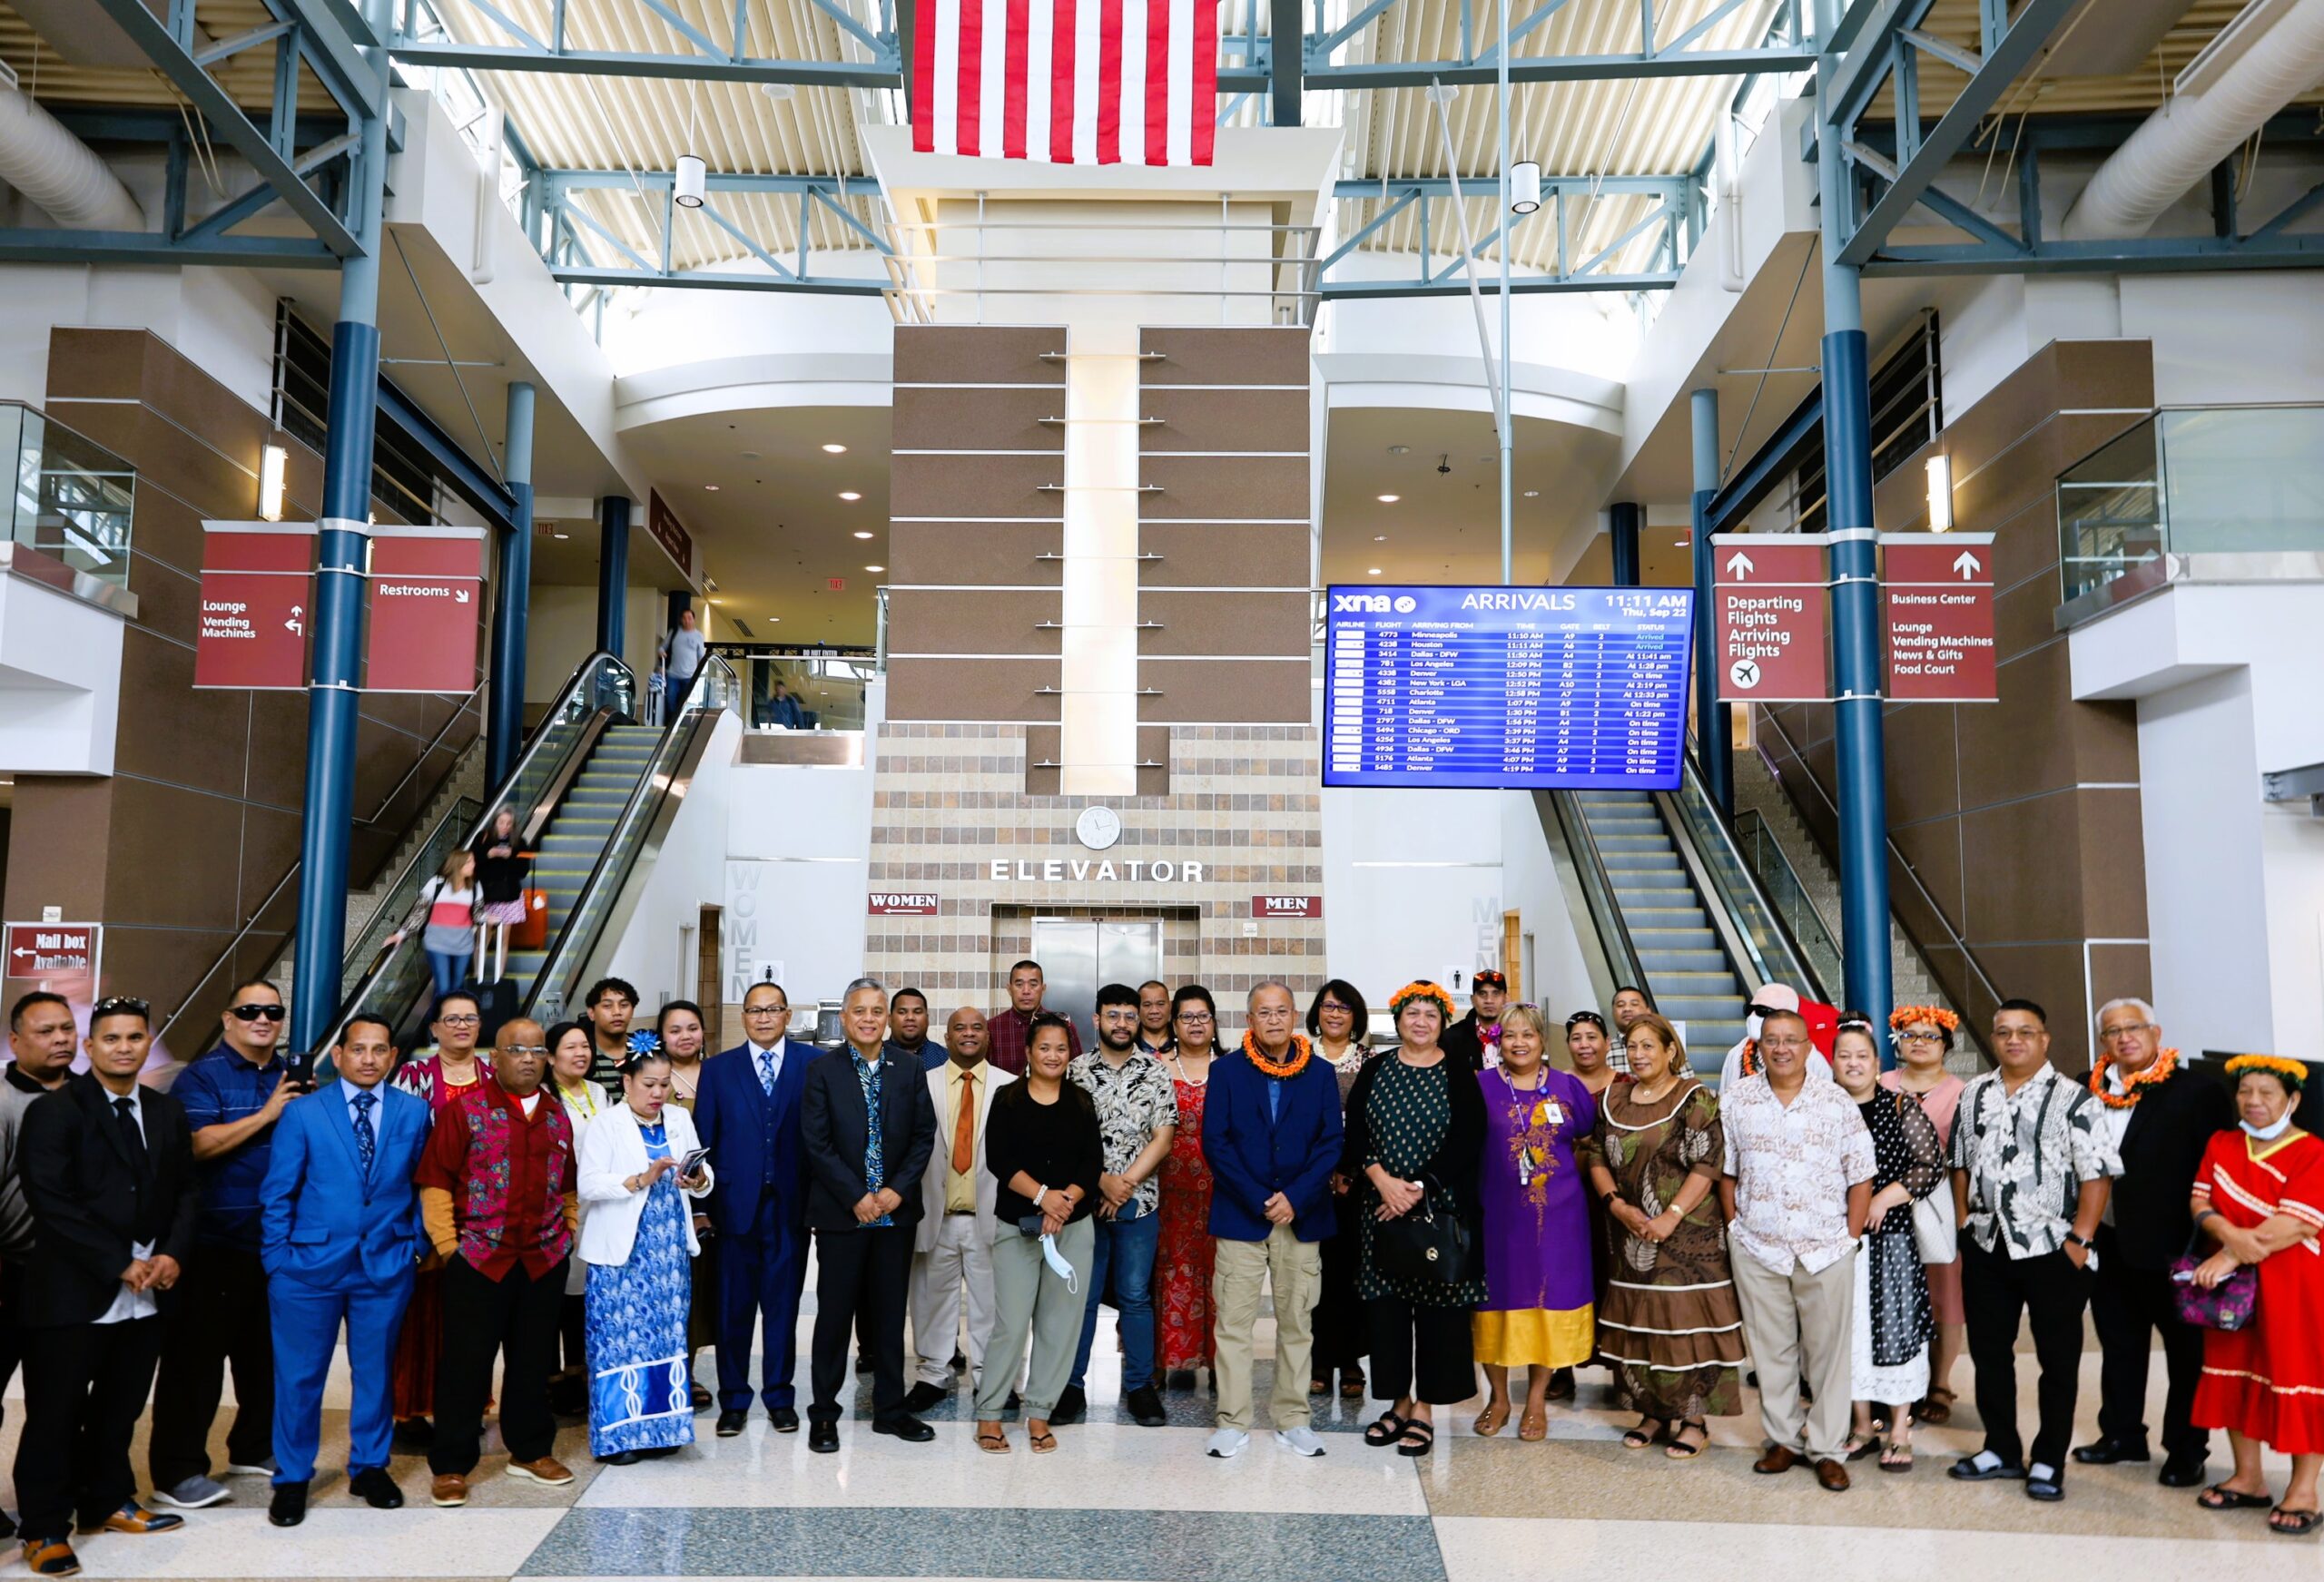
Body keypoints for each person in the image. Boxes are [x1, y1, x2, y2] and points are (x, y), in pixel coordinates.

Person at [14, 997, 195, 1577]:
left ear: (148, 1044)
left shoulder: (167, 1112)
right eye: (111, 1038)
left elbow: (189, 1192)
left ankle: (107, 1500)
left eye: (134, 1037)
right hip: (74, 1291)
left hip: (148, 1293)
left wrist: (172, 1253)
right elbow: (51, 1202)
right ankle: (43, 1527)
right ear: (90, 1048)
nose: (124, 1047)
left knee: (120, 1407)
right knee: (54, 1414)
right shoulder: (56, 1112)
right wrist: (117, 1262)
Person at [258, 1013, 428, 1527]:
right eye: (358, 1049)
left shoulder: (414, 1112)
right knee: (300, 1377)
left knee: (375, 1373)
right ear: (339, 1056)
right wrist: (277, 1260)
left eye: (380, 1049)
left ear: (393, 1057)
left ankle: (370, 1467)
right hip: (306, 1268)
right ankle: (291, 1476)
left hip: (386, 1264)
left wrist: (416, 1247)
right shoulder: (305, 1113)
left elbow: (423, 1187)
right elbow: (277, 1192)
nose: (369, 1059)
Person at [1948, 997, 2120, 1501]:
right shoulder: (1974, 1092)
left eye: (2026, 1031)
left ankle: (2048, 1459)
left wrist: (2080, 1241)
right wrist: (1963, 1219)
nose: (2014, 1040)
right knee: (1989, 1354)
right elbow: (1960, 1160)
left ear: (2044, 1039)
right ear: (1994, 1038)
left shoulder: (2075, 1098)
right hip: (1987, 1244)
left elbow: (2097, 1173)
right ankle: (2001, 1447)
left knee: (2059, 1359)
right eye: (2003, 1032)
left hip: (2053, 1248)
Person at [416, 1018, 580, 1506]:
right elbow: (437, 1183)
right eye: (517, 1049)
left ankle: (529, 1451)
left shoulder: (556, 1114)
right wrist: (450, 1249)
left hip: (542, 1261)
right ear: (496, 1058)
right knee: (465, 1365)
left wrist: (567, 1231)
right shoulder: (465, 1111)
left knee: (532, 1363)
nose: (528, 1059)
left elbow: (568, 1184)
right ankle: (451, 1464)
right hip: (478, 1261)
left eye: (537, 1050)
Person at [2075, 997, 2235, 1487]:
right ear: (2103, 1041)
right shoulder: (2085, 1086)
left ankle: (2186, 1448)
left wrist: (2210, 1243)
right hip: (2110, 1240)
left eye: (2135, 1027)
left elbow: (2217, 1171)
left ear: (2156, 1032)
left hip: (2176, 1247)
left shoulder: (2197, 1090)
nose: (2125, 1037)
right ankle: (2122, 1435)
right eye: (2113, 1031)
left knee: (2188, 1353)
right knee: (2120, 1345)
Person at [150, 978, 295, 1511]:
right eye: (250, 1010)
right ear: (229, 1018)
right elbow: (195, 1145)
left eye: (273, 1011)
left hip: (275, 1244)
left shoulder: (290, 1076)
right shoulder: (201, 1077)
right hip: (211, 1243)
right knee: (196, 1363)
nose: (263, 1019)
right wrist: (264, 1116)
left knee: (266, 1356)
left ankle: (254, 1447)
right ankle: (178, 1470)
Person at [1718, 1005, 1874, 1492]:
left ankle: (1827, 1447)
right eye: (1772, 1040)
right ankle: (1783, 1439)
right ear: (1758, 1047)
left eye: (1791, 1040)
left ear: (1809, 1047)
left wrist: (1849, 1238)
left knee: (1828, 1354)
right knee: (1770, 1351)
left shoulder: (1836, 1102)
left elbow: (1861, 1175)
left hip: (1826, 1248)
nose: (1781, 1048)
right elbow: (1727, 1172)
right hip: (1758, 1247)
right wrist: (1735, 1228)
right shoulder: (1736, 1100)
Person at [1582, 1012, 1745, 1457]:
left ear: (1671, 1050)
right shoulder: (1614, 1098)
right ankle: (1653, 1411)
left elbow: (1708, 1164)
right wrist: (1615, 1204)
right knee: (1643, 1323)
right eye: (1632, 1047)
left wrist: (1670, 1216)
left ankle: (1693, 1418)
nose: (1639, 1055)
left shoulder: (1696, 1098)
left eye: (1649, 1046)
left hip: (1687, 1238)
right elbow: (1597, 1154)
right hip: (1630, 1234)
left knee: (1685, 1325)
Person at [1199, 980, 1343, 1459]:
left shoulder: (1320, 1073)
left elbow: (1331, 1144)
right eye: (1265, 1012)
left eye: (1282, 1011)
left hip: (1302, 1217)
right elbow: (1215, 1143)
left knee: (1296, 1321)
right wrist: (1263, 1199)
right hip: (1242, 1215)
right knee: (1234, 1323)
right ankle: (1232, 1420)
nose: (1275, 1019)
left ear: (1296, 1015)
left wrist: (1295, 1198)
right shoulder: (1226, 1072)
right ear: (1250, 1019)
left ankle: (1292, 1417)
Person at [1345, 981, 1485, 1458]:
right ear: (1398, 1020)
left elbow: (1469, 1140)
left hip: (1438, 1211)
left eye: (1430, 1014)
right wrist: (1381, 1180)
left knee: (1436, 1314)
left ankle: (1425, 1408)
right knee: (1386, 1313)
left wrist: (1418, 1186)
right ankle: (1398, 1402)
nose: (1421, 1021)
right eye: (1412, 1013)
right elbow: (1357, 1129)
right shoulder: (1376, 1068)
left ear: (1442, 1023)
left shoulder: (1458, 1072)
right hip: (1379, 1210)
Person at [2186, 1055, 2324, 1534]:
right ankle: (2248, 1478)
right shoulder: (2222, 1143)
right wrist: (2227, 1236)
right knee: (2232, 1373)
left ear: (2294, 1100)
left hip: (2295, 1285)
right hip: (2232, 1294)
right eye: (2247, 1091)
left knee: (2297, 1376)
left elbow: (2298, 1222)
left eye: (2267, 1092)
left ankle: (2304, 1489)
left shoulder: (2313, 1152)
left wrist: (2229, 1254)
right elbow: (2200, 1199)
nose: (2254, 1101)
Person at [801, 978, 938, 1452]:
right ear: (844, 1017)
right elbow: (816, 1143)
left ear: (887, 1018)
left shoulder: (909, 1067)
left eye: (877, 1011)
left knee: (887, 1318)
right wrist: (856, 1195)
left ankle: (890, 1410)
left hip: (895, 1217)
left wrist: (898, 1189)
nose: (868, 1019)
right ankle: (823, 1415)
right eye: (859, 1011)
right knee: (834, 1317)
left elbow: (924, 1135)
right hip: (844, 1217)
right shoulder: (822, 1071)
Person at [576, 1046, 714, 1464]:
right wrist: (641, 1178)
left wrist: (698, 1179)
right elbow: (589, 1185)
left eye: (665, 1084)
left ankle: (662, 1429)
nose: (658, 1093)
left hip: (668, 1248)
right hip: (622, 1250)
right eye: (649, 1085)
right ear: (627, 1084)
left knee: (664, 1337)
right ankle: (618, 1437)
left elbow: (704, 1183)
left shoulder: (679, 1118)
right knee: (619, 1340)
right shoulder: (607, 1123)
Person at [973, 1014, 1100, 1454]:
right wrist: (1044, 1196)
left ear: (1071, 1053)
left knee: (1059, 1325)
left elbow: (1091, 1163)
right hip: (1018, 1226)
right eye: (1044, 1047)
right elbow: (1000, 1161)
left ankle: (1040, 1413)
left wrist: (1063, 1203)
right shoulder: (1007, 1100)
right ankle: (990, 1414)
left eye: (1061, 1048)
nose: (1053, 1055)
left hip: (1073, 1227)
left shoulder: (1082, 1102)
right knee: (1010, 1323)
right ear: (1028, 1052)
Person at [1472, 1005, 1599, 1440]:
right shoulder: (1481, 1087)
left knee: (1550, 1302)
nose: (1520, 1042)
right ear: (1498, 1042)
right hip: (1498, 1217)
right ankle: (1499, 1397)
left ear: (1544, 1040)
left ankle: (1537, 1400)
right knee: (1496, 1302)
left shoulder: (1567, 1087)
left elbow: (1589, 1138)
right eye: (1510, 1036)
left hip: (1560, 1219)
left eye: (1528, 1034)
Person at [694, 980, 813, 1437]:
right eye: (754, 1010)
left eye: (773, 1009)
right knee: (733, 1311)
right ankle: (734, 1400)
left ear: (787, 1015)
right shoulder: (719, 1070)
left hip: (790, 1209)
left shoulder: (812, 1064)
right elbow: (704, 1141)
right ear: (742, 1017)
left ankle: (780, 1398)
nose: (763, 1018)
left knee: (783, 1309)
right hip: (732, 1210)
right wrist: (703, 1207)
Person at [1831, 1014, 1944, 1472]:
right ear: (1832, 1062)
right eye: (1844, 1056)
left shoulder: (1900, 1106)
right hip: (1837, 1239)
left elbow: (1928, 1165)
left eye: (1862, 1056)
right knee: (1849, 1332)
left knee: (1895, 1330)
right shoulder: (1824, 1107)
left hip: (1889, 1238)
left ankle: (1899, 1428)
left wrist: (1880, 1199)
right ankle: (1862, 1425)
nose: (1853, 1063)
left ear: (1877, 1062)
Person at [1063, 983, 1177, 1428]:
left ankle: (1139, 1388)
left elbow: (1163, 1137)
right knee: (1083, 1300)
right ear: (1096, 1020)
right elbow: (1067, 1140)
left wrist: (1124, 1185)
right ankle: (1071, 1387)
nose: (1123, 1023)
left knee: (1134, 1297)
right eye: (1113, 1015)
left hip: (1139, 1203)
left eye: (1130, 1016)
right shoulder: (1075, 1071)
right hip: (1083, 1203)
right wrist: (1101, 1182)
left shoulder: (1155, 1072)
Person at [388, 991, 492, 1449]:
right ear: (434, 1028)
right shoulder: (413, 1076)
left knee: (471, 1319)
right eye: (451, 1019)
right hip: (426, 1209)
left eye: (469, 1018)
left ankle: (467, 1403)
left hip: (484, 1215)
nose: (461, 1026)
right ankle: (409, 1411)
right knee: (420, 1315)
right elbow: (402, 1145)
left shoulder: (494, 1075)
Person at [903, 1007, 1010, 1413]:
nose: (968, 1034)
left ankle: (991, 1377)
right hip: (936, 1213)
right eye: (959, 1028)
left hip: (990, 1215)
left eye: (977, 1028)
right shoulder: (920, 1083)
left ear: (988, 1037)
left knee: (993, 1303)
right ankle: (933, 1374)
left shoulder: (1011, 1086)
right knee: (931, 1301)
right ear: (945, 1038)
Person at [1879, 1006, 1969, 1426]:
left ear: (1946, 1045)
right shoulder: (1881, 1083)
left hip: (1939, 1205)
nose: (1918, 1041)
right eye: (1909, 1034)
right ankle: (1894, 1381)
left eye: (1929, 1036)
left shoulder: (1962, 1092)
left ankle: (1940, 1384)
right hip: (1884, 1205)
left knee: (1944, 1296)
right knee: (1891, 1292)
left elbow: (1966, 1158)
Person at [0, 992, 79, 1437]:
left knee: (59, 1398)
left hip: (73, 1276)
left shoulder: (90, 1097)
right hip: (10, 1272)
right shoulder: (4, 1099)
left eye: (66, 1029)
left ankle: (47, 1503)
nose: (60, 1039)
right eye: (45, 1031)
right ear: (15, 1041)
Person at [1306, 980, 1371, 1400]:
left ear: (1356, 1016)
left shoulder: (1370, 1061)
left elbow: (1371, 1123)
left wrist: (1348, 1171)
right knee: (1313, 1274)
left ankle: (1350, 1361)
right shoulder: (1297, 1057)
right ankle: (1317, 1360)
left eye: (1344, 1008)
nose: (1334, 1014)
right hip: (1308, 1181)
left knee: (1352, 1273)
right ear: (1317, 1012)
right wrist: (1320, 1171)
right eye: (1328, 1006)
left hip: (1356, 1184)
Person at [1156, 987, 1220, 1391]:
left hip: (1220, 1192)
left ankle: (1218, 1363)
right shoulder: (1155, 1067)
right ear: (1173, 1024)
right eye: (1187, 1017)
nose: (1196, 1024)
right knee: (1165, 1275)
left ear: (1214, 1023)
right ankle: (1162, 1361)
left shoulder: (1233, 1069)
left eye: (1203, 1016)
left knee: (1219, 1277)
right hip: (1166, 1191)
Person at [652, 1001, 715, 1410]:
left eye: (692, 1027)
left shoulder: (720, 1074)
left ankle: (689, 1368)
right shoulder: (652, 1078)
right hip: (662, 1198)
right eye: (675, 1030)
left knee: (701, 1292)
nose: (685, 1036)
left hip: (712, 1193)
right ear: (661, 1036)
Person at [1565, 1009, 1627, 1387]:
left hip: (1615, 1198)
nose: (1584, 1045)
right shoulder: (1555, 1085)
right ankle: (1560, 1364)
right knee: (1570, 1277)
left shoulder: (1626, 1086)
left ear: (1606, 1043)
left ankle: (1621, 1362)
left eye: (1592, 1037)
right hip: (1566, 1197)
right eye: (1576, 1038)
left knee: (1614, 1275)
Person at [547, 1021, 605, 1419]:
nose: (581, 1053)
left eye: (585, 1046)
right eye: (570, 1048)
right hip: (556, 1210)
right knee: (553, 1297)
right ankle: (550, 1380)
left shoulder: (598, 1091)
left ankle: (578, 1373)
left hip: (596, 1210)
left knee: (584, 1296)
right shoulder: (543, 1098)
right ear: (551, 1057)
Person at [390, 850, 478, 1001]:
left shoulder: (475, 887)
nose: (474, 865)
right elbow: (419, 911)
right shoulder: (436, 884)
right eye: (469, 862)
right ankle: (439, 1021)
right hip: (437, 943)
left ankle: (449, 1020)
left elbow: (478, 913)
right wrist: (401, 934)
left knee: (457, 988)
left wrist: (491, 918)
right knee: (443, 987)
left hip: (463, 945)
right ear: (458, 864)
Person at [1719, 982, 1837, 1091]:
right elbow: (1724, 1104)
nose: (1753, 1016)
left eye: (1762, 1011)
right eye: (1749, 1010)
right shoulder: (1736, 1053)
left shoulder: (1812, 1060)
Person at [986, 959, 1080, 1077]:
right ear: (1009, 989)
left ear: (1043, 988)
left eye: (1033, 985)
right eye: (1019, 985)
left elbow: (1077, 1074)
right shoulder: (991, 1028)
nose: (1026, 991)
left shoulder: (1064, 1026)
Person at [469, 807, 530, 982]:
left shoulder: (519, 842)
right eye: (501, 822)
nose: (505, 826)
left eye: (509, 823)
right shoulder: (483, 838)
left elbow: (523, 871)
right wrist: (489, 854)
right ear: (495, 822)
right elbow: (471, 863)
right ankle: (476, 976)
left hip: (509, 895)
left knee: (504, 939)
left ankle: (499, 977)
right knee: (482, 938)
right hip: (486, 896)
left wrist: (511, 856)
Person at [1441, 968, 1509, 1072]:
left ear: (1506, 998)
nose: (1489, 1000)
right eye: (1482, 993)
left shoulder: (1518, 1035)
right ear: (1472, 999)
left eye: (1496, 993)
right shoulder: (1452, 1038)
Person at [584, 978, 640, 1093]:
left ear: (632, 1011)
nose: (617, 1012)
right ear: (591, 1013)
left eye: (624, 1005)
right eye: (607, 1006)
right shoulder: (584, 1053)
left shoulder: (645, 1048)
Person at [665, 605, 705, 718]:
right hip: (673, 674)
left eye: (689, 618)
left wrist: (699, 674)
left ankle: (681, 722)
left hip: (690, 676)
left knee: (686, 701)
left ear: (693, 620)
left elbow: (701, 657)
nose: (687, 620)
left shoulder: (698, 636)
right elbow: (662, 647)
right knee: (670, 699)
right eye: (684, 618)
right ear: (681, 620)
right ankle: (672, 723)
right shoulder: (674, 633)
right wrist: (661, 652)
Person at [886, 988, 939, 1071]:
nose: (910, 1017)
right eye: (902, 1012)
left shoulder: (946, 1059)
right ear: (889, 1020)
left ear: (927, 1019)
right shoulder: (873, 1057)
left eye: (917, 1012)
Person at [1610, 986, 1653, 1071]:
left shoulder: (1664, 1045)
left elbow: (1684, 1082)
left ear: (1648, 1011)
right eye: (1620, 1005)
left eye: (1634, 1004)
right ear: (1613, 1013)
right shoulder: (1603, 1050)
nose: (1627, 1009)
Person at [1136, 981, 1175, 1056]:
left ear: (1170, 1006)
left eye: (1160, 1004)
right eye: (1147, 1005)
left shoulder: (1183, 1041)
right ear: (1137, 1008)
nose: (1154, 1011)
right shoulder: (1128, 1044)